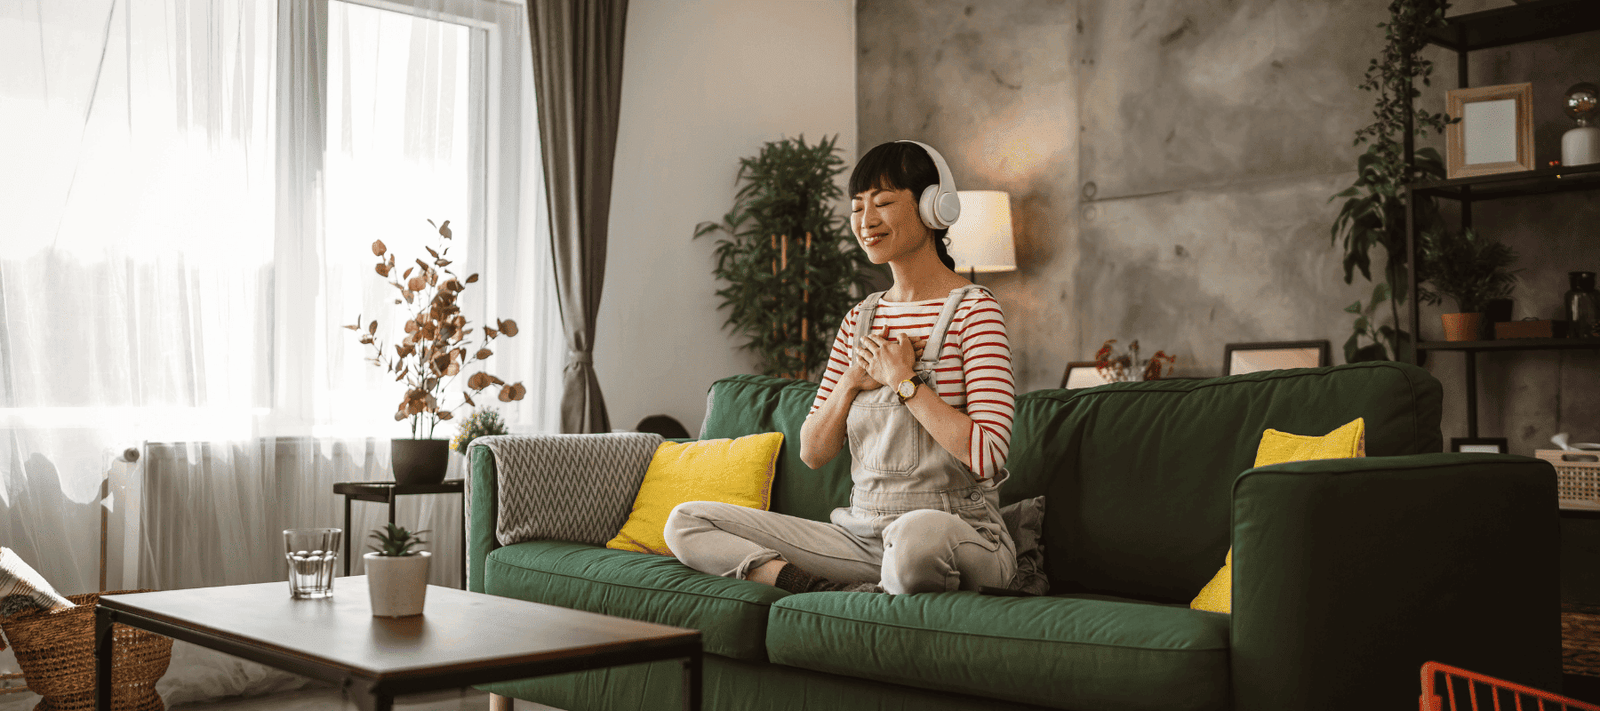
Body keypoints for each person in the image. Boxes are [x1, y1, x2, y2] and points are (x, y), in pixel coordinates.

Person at [663, 140, 1017, 595]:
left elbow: (988, 454)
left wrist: (904, 382)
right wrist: (852, 380)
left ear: (933, 208)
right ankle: (813, 588)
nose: (866, 222)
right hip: (863, 535)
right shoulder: (859, 319)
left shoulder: (976, 311)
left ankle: (892, 583)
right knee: (687, 521)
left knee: (913, 540)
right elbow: (812, 452)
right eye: (857, 207)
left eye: (884, 203)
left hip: (955, 532)